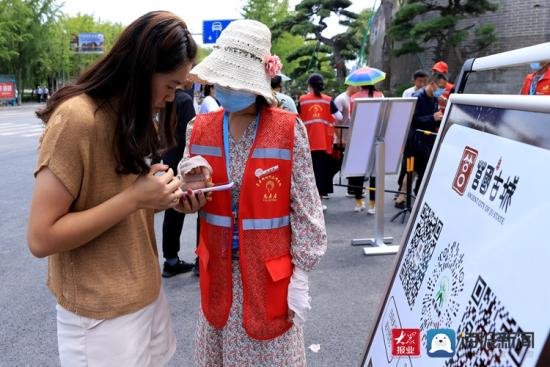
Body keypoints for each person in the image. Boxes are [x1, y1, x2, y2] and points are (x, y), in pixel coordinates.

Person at [27, 11, 203, 365]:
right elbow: (41, 238)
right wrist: (134, 197)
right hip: (100, 313)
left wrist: (167, 197)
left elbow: (119, 202)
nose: (171, 98)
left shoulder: (129, 117)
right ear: (141, 69)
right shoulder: (77, 118)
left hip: (144, 295)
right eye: (170, 85)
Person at [184, 19, 327, 366]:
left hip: (269, 276)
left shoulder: (287, 130)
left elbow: (306, 208)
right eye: (224, 80)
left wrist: (302, 276)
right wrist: (187, 193)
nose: (228, 88)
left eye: (236, 81)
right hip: (217, 271)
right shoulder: (198, 128)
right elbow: (185, 190)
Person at [160, 88, 197, 277]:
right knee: (189, 205)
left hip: (168, 158)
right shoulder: (185, 100)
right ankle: (199, 260)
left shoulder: (166, 97)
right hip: (182, 161)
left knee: (172, 210)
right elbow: (191, 135)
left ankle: (170, 259)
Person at [298, 73, 342, 207]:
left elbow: (297, 117)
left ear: (309, 85)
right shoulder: (328, 100)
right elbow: (339, 117)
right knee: (321, 172)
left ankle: (309, 202)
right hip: (324, 142)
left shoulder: (303, 100)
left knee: (307, 172)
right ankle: (320, 202)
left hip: (307, 142)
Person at [403, 75, 443, 196]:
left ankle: (416, 194)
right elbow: (411, 119)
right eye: (440, 87)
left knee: (423, 169)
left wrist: (440, 119)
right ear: (432, 83)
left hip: (428, 139)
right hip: (415, 140)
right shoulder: (417, 97)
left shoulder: (435, 99)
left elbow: (434, 118)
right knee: (412, 169)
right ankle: (403, 196)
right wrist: (432, 117)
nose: (441, 91)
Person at [349, 84, 384, 214]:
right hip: (375, 137)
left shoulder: (353, 97)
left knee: (358, 171)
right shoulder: (380, 95)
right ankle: (372, 205)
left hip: (359, 138)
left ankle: (358, 203)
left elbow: (351, 118)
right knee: (374, 173)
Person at [333, 85, 359, 197]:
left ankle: (352, 189)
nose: (359, 88)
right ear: (350, 86)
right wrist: (339, 137)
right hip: (341, 137)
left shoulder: (354, 99)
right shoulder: (341, 99)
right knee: (335, 165)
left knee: (352, 163)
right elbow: (335, 119)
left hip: (350, 137)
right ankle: (323, 188)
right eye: (357, 86)